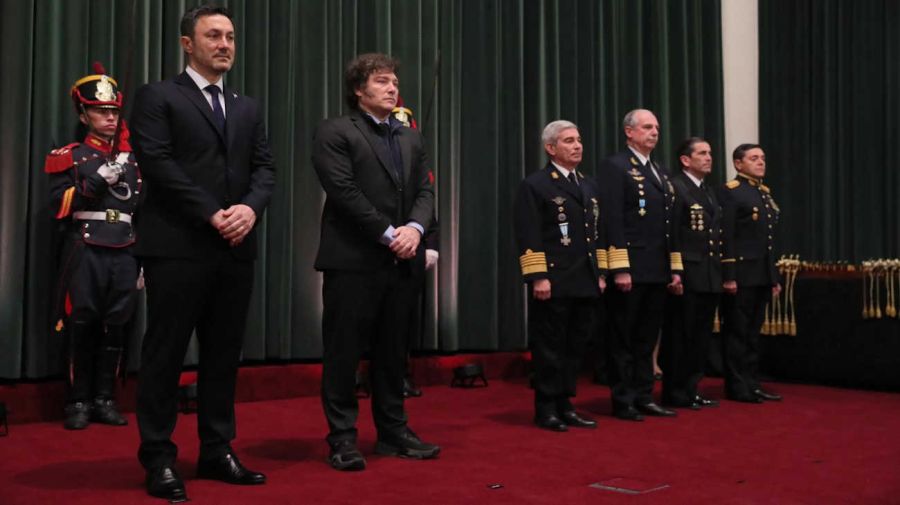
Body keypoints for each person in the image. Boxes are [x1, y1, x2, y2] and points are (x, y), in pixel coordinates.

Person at [130, 4, 275, 500]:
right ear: (187, 44)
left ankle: (217, 449)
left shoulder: (247, 106)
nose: (225, 44)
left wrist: (250, 211)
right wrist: (214, 213)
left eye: (230, 36)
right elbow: (158, 163)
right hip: (177, 245)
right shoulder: (158, 96)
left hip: (235, 247)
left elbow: (264, 169)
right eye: (213, 35)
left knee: (222, 355)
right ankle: (159, 457)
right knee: (166, 353)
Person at [312, 53, 438, 471]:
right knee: (344, 351)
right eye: (382, 81)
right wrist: (389, 234)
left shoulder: (409, 136)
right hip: (353, 260)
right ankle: (343, 438)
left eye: (394, 81)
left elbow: (425, 192)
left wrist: (415, 231)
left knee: (392, 351)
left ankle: (393, 431)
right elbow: (344, 192)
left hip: (402, 260)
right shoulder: (335, 131)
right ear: (358, 90)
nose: (392, 88)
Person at [45, 63, 139, 430]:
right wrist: (95, 182)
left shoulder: (133, 159)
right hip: (85, 247)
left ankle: (105, 397)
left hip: (125, 248)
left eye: (114, 111)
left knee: (117, 324)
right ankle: (78, 400)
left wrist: (142, 258)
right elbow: (58, 206)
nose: (109, 117)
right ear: (83, 114)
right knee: (82, 322)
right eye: (101, 111)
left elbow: (141, 209)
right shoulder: (69, 155)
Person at [514, 120, 606, 432]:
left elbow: (597, 233)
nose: (577, 145)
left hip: (585, 278)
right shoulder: (537, 184)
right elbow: (529, 234)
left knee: (575, 346)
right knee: (550, 347)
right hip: (553, 280)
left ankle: (567, 404)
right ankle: (546, 407)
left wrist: (601, 273)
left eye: (579, 139)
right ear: (551, 148)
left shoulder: (589, 185)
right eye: (568, 141)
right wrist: (538, 276)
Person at [597, 109, 682, 421]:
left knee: (647, 338)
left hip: (656, 268)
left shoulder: (659, 171)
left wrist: (674, 267)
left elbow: (668, 226)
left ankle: (644, 395)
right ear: (629, 132)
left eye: (657, 127)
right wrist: (619, 267)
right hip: (630, 266)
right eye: (647, 127)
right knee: (624, 337)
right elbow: (612, 218)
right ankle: (623, 399)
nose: (654, 132)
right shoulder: (616, 166)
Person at [660, 137, 723, 409]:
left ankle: (691, 388)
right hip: (687, 272)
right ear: (685, 159)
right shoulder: (676, 187)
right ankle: (674, 390)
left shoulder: (707, 190)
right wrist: (675, 270)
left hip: (709, 273)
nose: (709, 157)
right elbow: (672, 234)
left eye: (710, 153)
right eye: (702, 153)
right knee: (680, 335)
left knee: (700, 336)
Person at [717, 144, 782, 404]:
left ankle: (752, 382)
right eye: (754, 158)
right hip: (741, 274)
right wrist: (729, 274)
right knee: (737, 333)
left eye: (763, 158)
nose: (760, 162)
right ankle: (737, 386)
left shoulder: (763, 193)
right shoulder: (730, 192)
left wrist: (773, 276)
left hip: (761, 274)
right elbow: (727, 236)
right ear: (738, 164)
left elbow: (767, 242)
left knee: (753, 333)